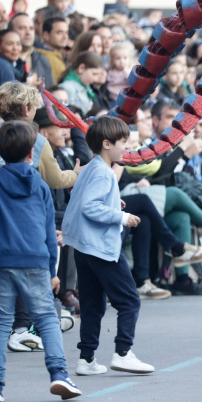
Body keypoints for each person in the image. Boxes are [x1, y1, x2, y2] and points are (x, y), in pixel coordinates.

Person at [0, 82, 78, 354]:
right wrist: (77, 173)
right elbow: (54, 179)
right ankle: (23, 328)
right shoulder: (36, 140)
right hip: (17, 213)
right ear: (28, 109)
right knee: (19, 264)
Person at [0, 121, 83, 401]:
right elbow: (48, 230)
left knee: (0, 322)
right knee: (46, 318)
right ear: (31, 153)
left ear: (0, 150)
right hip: (34, 259)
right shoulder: (40, 185)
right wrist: (51, 270)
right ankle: (59, 374)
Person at [61, 116, 154, 376]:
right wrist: (122, 216)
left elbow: (85, 200)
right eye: (122, 142)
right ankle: (123, 352)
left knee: (92, 304)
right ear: (106, 143)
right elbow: (91, 207)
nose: (126, 147)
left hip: (83, 247)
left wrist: (114, 203)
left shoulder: (93, 167)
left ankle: (86, 358)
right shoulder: (104, 172)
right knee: (129, 300)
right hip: (100, 246)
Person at [9, 13, 55, 87]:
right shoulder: (2, 61)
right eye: (22, 28)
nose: (28, 33)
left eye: (31, 28)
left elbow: (51, 91)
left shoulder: (43, 60)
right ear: (10, 32)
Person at [59, 52, 104, 116]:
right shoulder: (67, 87)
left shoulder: (86, 86)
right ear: (81, 68)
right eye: (94, 74)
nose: (95, 79)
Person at [36, 16, 70, 83]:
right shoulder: (41, 57)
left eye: (66, 33)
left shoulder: (59, 55)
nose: (65, 37)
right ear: (46, 36)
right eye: (59, 32)